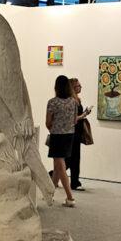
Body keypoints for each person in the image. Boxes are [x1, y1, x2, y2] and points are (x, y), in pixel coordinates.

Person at [46, 74, 78, 207]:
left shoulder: (52, 102)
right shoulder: (73, 102)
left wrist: (55, 128)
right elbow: (75, 121)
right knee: (57, 166)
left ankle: (70, 197)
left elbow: (48, 122)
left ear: (56, 87)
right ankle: (50, 194)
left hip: (57, 136)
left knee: (61, 166)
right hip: (69, 136)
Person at [67, 77, 92, 191]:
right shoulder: (71, 101)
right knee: (72, 158)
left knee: (73, 158)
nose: (80, 87)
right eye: (78, 86)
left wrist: (84, 113)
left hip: (77, 131)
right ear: (73, 87)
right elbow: (72, 119)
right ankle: (74, 182)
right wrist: (83, 115)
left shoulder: (77, 100)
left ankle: (73, 181)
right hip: (72, 131)